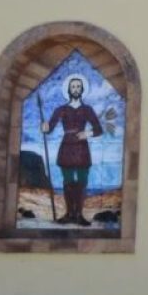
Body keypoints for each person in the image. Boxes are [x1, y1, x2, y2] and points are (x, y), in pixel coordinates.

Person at [41, 75, 103, 226]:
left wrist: (86, 133)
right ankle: (69, 214)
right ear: (69, 89)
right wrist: (45, 127)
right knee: (68, 181)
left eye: (78, 86)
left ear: (82, 90)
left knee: (82, 181)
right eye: (73, 86)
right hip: (67, 146)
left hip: (82, 148)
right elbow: (50, 127)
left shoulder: (87, 109)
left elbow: (98, 129)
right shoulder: (61, 109)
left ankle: (79, 215)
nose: (75, 89)